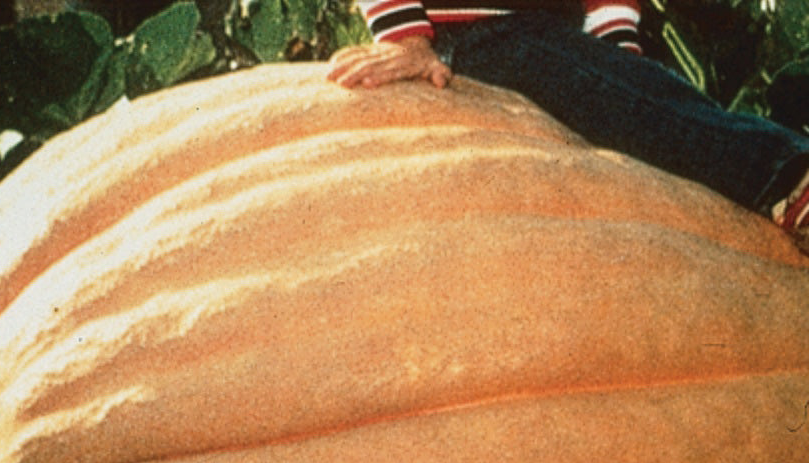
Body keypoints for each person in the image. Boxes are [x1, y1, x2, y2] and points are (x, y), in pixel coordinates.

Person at [327, 1, 809, 255]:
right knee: (641, 105)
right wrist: (407, 38)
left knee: (653, 103)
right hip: (472, 35)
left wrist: (618, 56)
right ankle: (786, 176)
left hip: (549, 36)